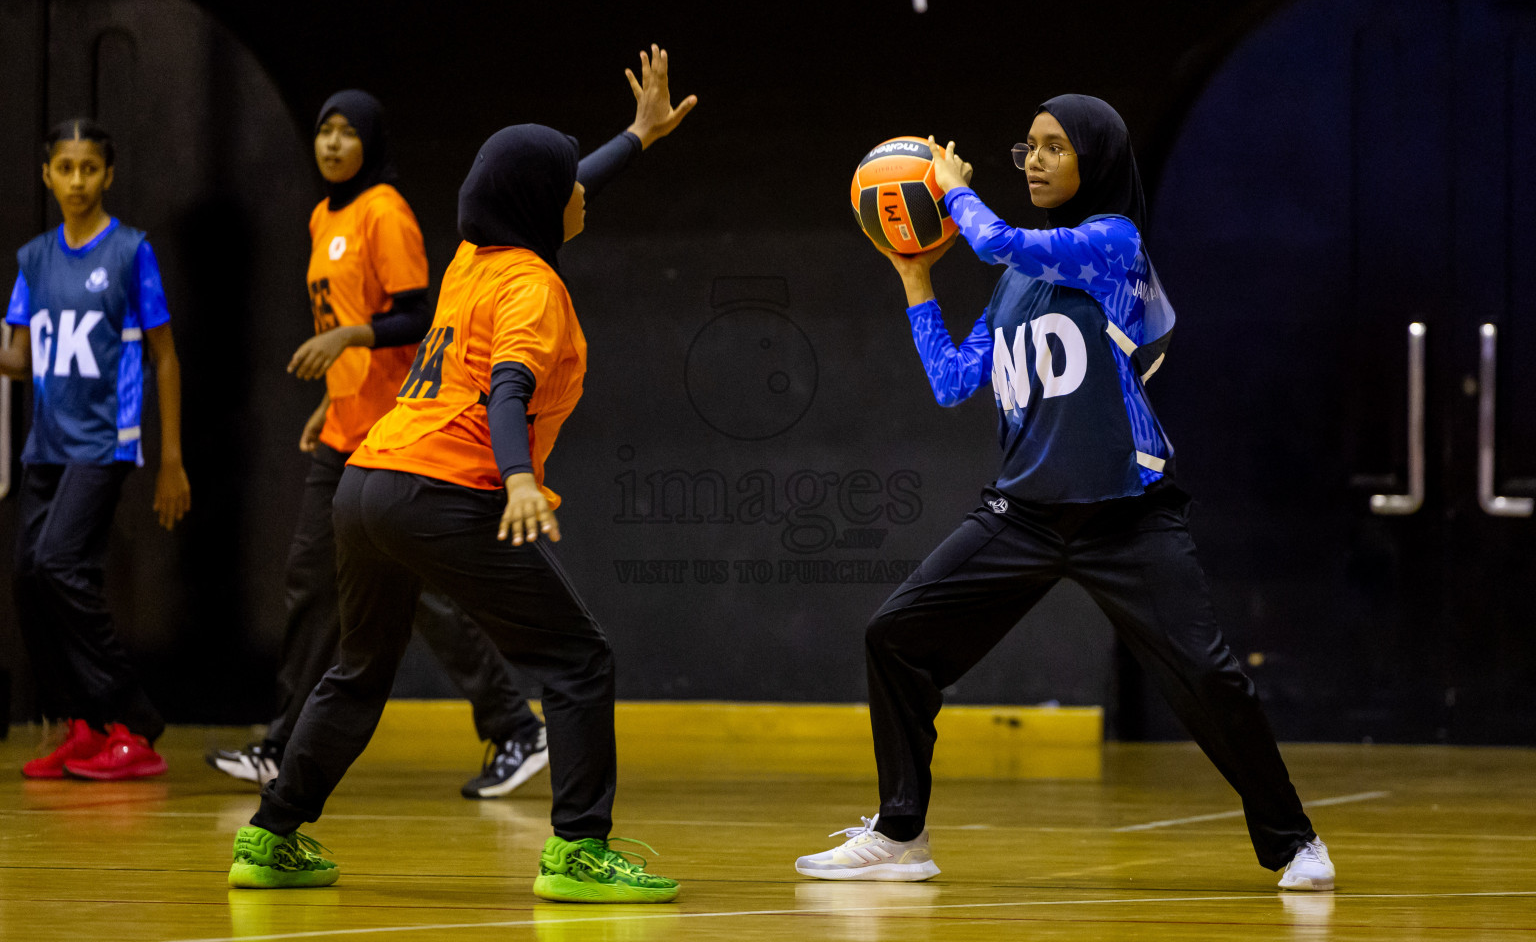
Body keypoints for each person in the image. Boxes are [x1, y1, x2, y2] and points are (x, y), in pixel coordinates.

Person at [795, 95, 1335, 892]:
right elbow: (951, 382)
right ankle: (902, 835)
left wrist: (949, 188)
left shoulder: (1112, 244)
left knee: (1211, 677)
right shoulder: (1018, 278)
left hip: (1127, 514)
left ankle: (1296, 843)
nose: (1037, 160)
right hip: (1023, 515)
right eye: (1030, 148)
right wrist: (915, 279)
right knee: (895, 636)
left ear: (1098, 160)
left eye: (1055, 147)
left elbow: (995, 237)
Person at [226, 47, 696, 902]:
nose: (582, 191)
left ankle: (268, 836)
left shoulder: (473, 259)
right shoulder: (532, 290)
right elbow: (508, 388)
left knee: (358, 671)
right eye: (571, 185)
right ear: (545, 206)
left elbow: (551, 180)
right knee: (581, 660)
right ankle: (579, 851)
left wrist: (637, 135)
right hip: (442, 487)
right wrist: (518, 478)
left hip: (364, 483)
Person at [205, 90, 550, 799]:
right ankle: (282, 743)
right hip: (343, 429)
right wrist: (331, 397)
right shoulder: (321, 215)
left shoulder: (384, 210)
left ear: (369, 141)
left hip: (393, 436)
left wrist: (348, 338)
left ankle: (516, 726)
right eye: (323, 129)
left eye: (345, 132)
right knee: (312, 583)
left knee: (420, 596)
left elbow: (412, 318)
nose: (331, 143)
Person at [1, 118, 192, 781]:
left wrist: (170, 459)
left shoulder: (131, 252)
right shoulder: (33, 259)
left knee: (59, 565)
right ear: (47, 174)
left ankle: (133, 721)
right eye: (65, 167)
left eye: (89, 168)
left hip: (105, 440)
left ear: (107, 175)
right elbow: (20, 357)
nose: (77, 180)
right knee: (29, 576)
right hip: (46, 444)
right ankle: (83, 724)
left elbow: (164, 357)